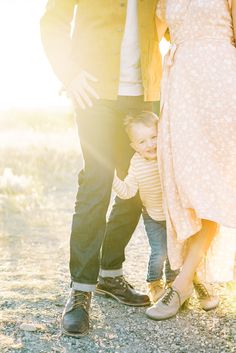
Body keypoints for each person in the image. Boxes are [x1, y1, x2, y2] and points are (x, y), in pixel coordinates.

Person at [40, 0, 166, 337]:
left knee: (136, 184)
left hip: (144, 94)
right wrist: (69, 72)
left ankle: (110, 273)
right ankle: (81, 289)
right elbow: (53, 21)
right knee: (97, 181)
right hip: (94, 94)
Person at [146, 0, 236, 321]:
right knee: (182, 182)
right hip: (181, 86)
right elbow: (148, 39)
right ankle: (196, 274)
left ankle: (182, 283)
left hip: (222, 87)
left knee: (211, 185)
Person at [108, 111, 178, 303]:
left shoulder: (168, 156)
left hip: (174, 215)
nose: (150, 144)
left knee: (176, 251)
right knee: (160, 252)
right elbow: (128, 191)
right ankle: (154, 284)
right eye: (142, 142)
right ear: (134, 147)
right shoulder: (136, 164)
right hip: (153, 216)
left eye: (154, 137)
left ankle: (174, 284)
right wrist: (112, 179)